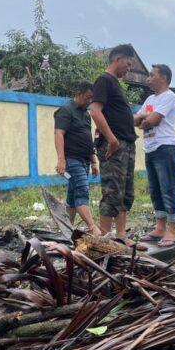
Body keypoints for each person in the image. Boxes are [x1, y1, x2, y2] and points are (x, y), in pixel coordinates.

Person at [89, 44, 146, 251]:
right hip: (115, 145)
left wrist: (136, 119)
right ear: (118, 60)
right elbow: (95, 112)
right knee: (112, 191)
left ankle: (121, 236)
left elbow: (118, 116)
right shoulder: (104, 81)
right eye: (128, 64)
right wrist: (112, 140)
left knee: (124, 192)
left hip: (126, 144)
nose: (128, 69)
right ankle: (104, 240)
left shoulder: (116, 85)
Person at [134, 65, 175, 247]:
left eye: (151, 75)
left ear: (163, 77)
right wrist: (146, 117)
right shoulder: (149, 99)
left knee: (168, 189)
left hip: (165, 148)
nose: (147, 78)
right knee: (155, 190)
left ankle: (172, 231)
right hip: (151, 149)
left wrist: (145, 118)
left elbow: (152, 121)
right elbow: (135, 121)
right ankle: (160, 228)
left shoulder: (169, 96)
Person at [54, 81, 101, 235]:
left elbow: (88, 139)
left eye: (92, 99)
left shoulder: (86, 115)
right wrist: (61, 160)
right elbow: (59, 134)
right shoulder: (66, 110)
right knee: (82, 190)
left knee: (73, 194)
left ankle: (67, 229)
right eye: (88, 97)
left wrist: (94, 161)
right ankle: (93, 228)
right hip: (71, 160)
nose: (90, 101)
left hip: (84, 160)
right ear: (79, 93)